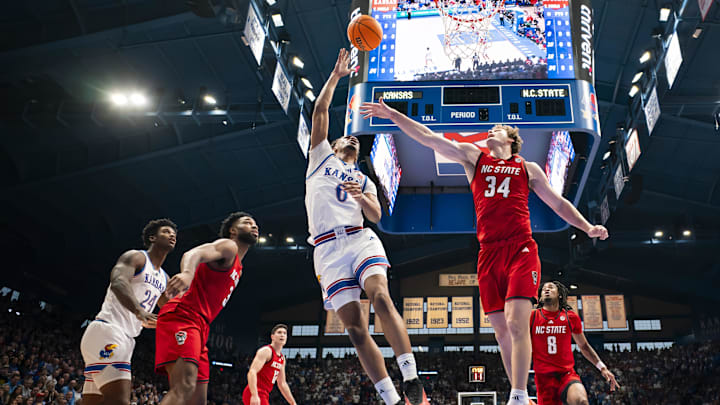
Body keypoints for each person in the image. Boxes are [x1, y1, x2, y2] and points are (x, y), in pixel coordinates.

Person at [358, 101, 609, 405]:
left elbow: (558, 204)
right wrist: (392, 115)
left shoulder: (527, 168)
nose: (491, 130)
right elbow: (427, 136)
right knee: (501, 331)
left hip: (521, 248)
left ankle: (517, 396)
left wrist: (587, 227)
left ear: (511, 140)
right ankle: (521, 394)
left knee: (518, 322)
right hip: (488, 253)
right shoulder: (473, 157)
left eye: (497, 128)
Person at [306, 48, 425, 405]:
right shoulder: (319, 158)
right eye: (348, 138)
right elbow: (320, 111)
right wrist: (336, 77)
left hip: (360, 240)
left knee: (381, 297)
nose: (353, 140)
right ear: (336, 143)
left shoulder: (365, 179)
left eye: (357, 141)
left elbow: (375, 215)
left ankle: (410, 375)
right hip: (326, 250)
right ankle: (389, 397)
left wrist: (361, 197)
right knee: (356, 332)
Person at [154, 212, 258, 405]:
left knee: (198, 401)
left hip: (199, 325)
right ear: (233, 231)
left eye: (255, 223)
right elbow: (194, 253)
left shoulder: (239, 268)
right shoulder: (229, 246)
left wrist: (165, 313)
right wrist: (187, 273)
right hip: (186, 317)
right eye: (247, 222)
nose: (254, 226)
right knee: (183, 387)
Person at [80, 219, 177, 405]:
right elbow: (118, 282)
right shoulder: (137, 257)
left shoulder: (164, 278)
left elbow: (171, 312)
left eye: (174, 234)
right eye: (166, 232)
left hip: (126, 340)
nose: (172, 235)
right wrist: (139, 310)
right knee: (119, 401)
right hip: (109, 331)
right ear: (152, 238)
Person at [531, 281, 620, 404]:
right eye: (543, 289)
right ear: (540, 297)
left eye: (551, 288)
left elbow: (584, 346)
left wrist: (602, 367)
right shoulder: (532, 316)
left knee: (581, 401)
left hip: (566, 375)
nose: (546, 290)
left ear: (559, 295)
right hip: (543, 379)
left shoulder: (570, 317)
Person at [242, 324, 296, 405]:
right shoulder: (266, 351)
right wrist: (254, 395)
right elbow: (252, 372)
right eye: (279, 332)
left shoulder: (282, 358)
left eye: (285, 333)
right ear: (272, 337)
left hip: (265, 394)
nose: (282, 335)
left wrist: (293, 403)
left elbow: (282, 383)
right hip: (255, 391)